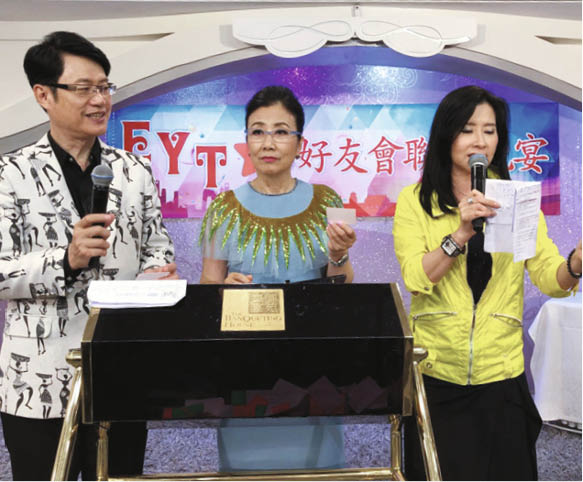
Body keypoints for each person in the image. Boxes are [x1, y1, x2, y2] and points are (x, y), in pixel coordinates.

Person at [0, 31, 177, 480]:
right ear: (43, 94)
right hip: (36, 381)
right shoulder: (10, 173)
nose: (99, 100)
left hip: (121, 372)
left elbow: (158, 248)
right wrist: (66, 259)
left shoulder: (133, 169)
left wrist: (156, 277)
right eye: (84, 89)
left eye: (104, 87)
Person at [393, 85, 582, 481]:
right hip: (437, 372)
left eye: (490, 130)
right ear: (446, 135)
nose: (480, 141)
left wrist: (575, 264)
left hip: (501, 374)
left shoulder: (519, 200)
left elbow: (549, 276)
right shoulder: (416, 200)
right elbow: (416, 277)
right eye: (467, 129)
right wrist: (460, 233)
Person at [199, 85, 356, 470]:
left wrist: (339, 255)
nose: (268, 142)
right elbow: (207, 288)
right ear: (246, 141)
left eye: (281, 131)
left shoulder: (329, 200)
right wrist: (223, 291)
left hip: (313, 361)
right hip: (245, 364)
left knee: (317, 469)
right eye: (258, 131)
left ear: (300, 143)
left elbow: (344, 289)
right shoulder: (222, 208)